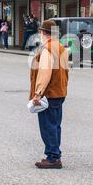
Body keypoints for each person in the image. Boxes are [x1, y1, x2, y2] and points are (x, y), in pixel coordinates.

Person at [30, 20, 69, 169]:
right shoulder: (60, 47)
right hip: (59, 91)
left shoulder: (47, 49)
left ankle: (52, 156)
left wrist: (38, 93)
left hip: (49, 93)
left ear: (43, 33)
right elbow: (65, 71)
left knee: (48, 125)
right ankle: (55, 154)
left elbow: (44, 73)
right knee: (56, 125)